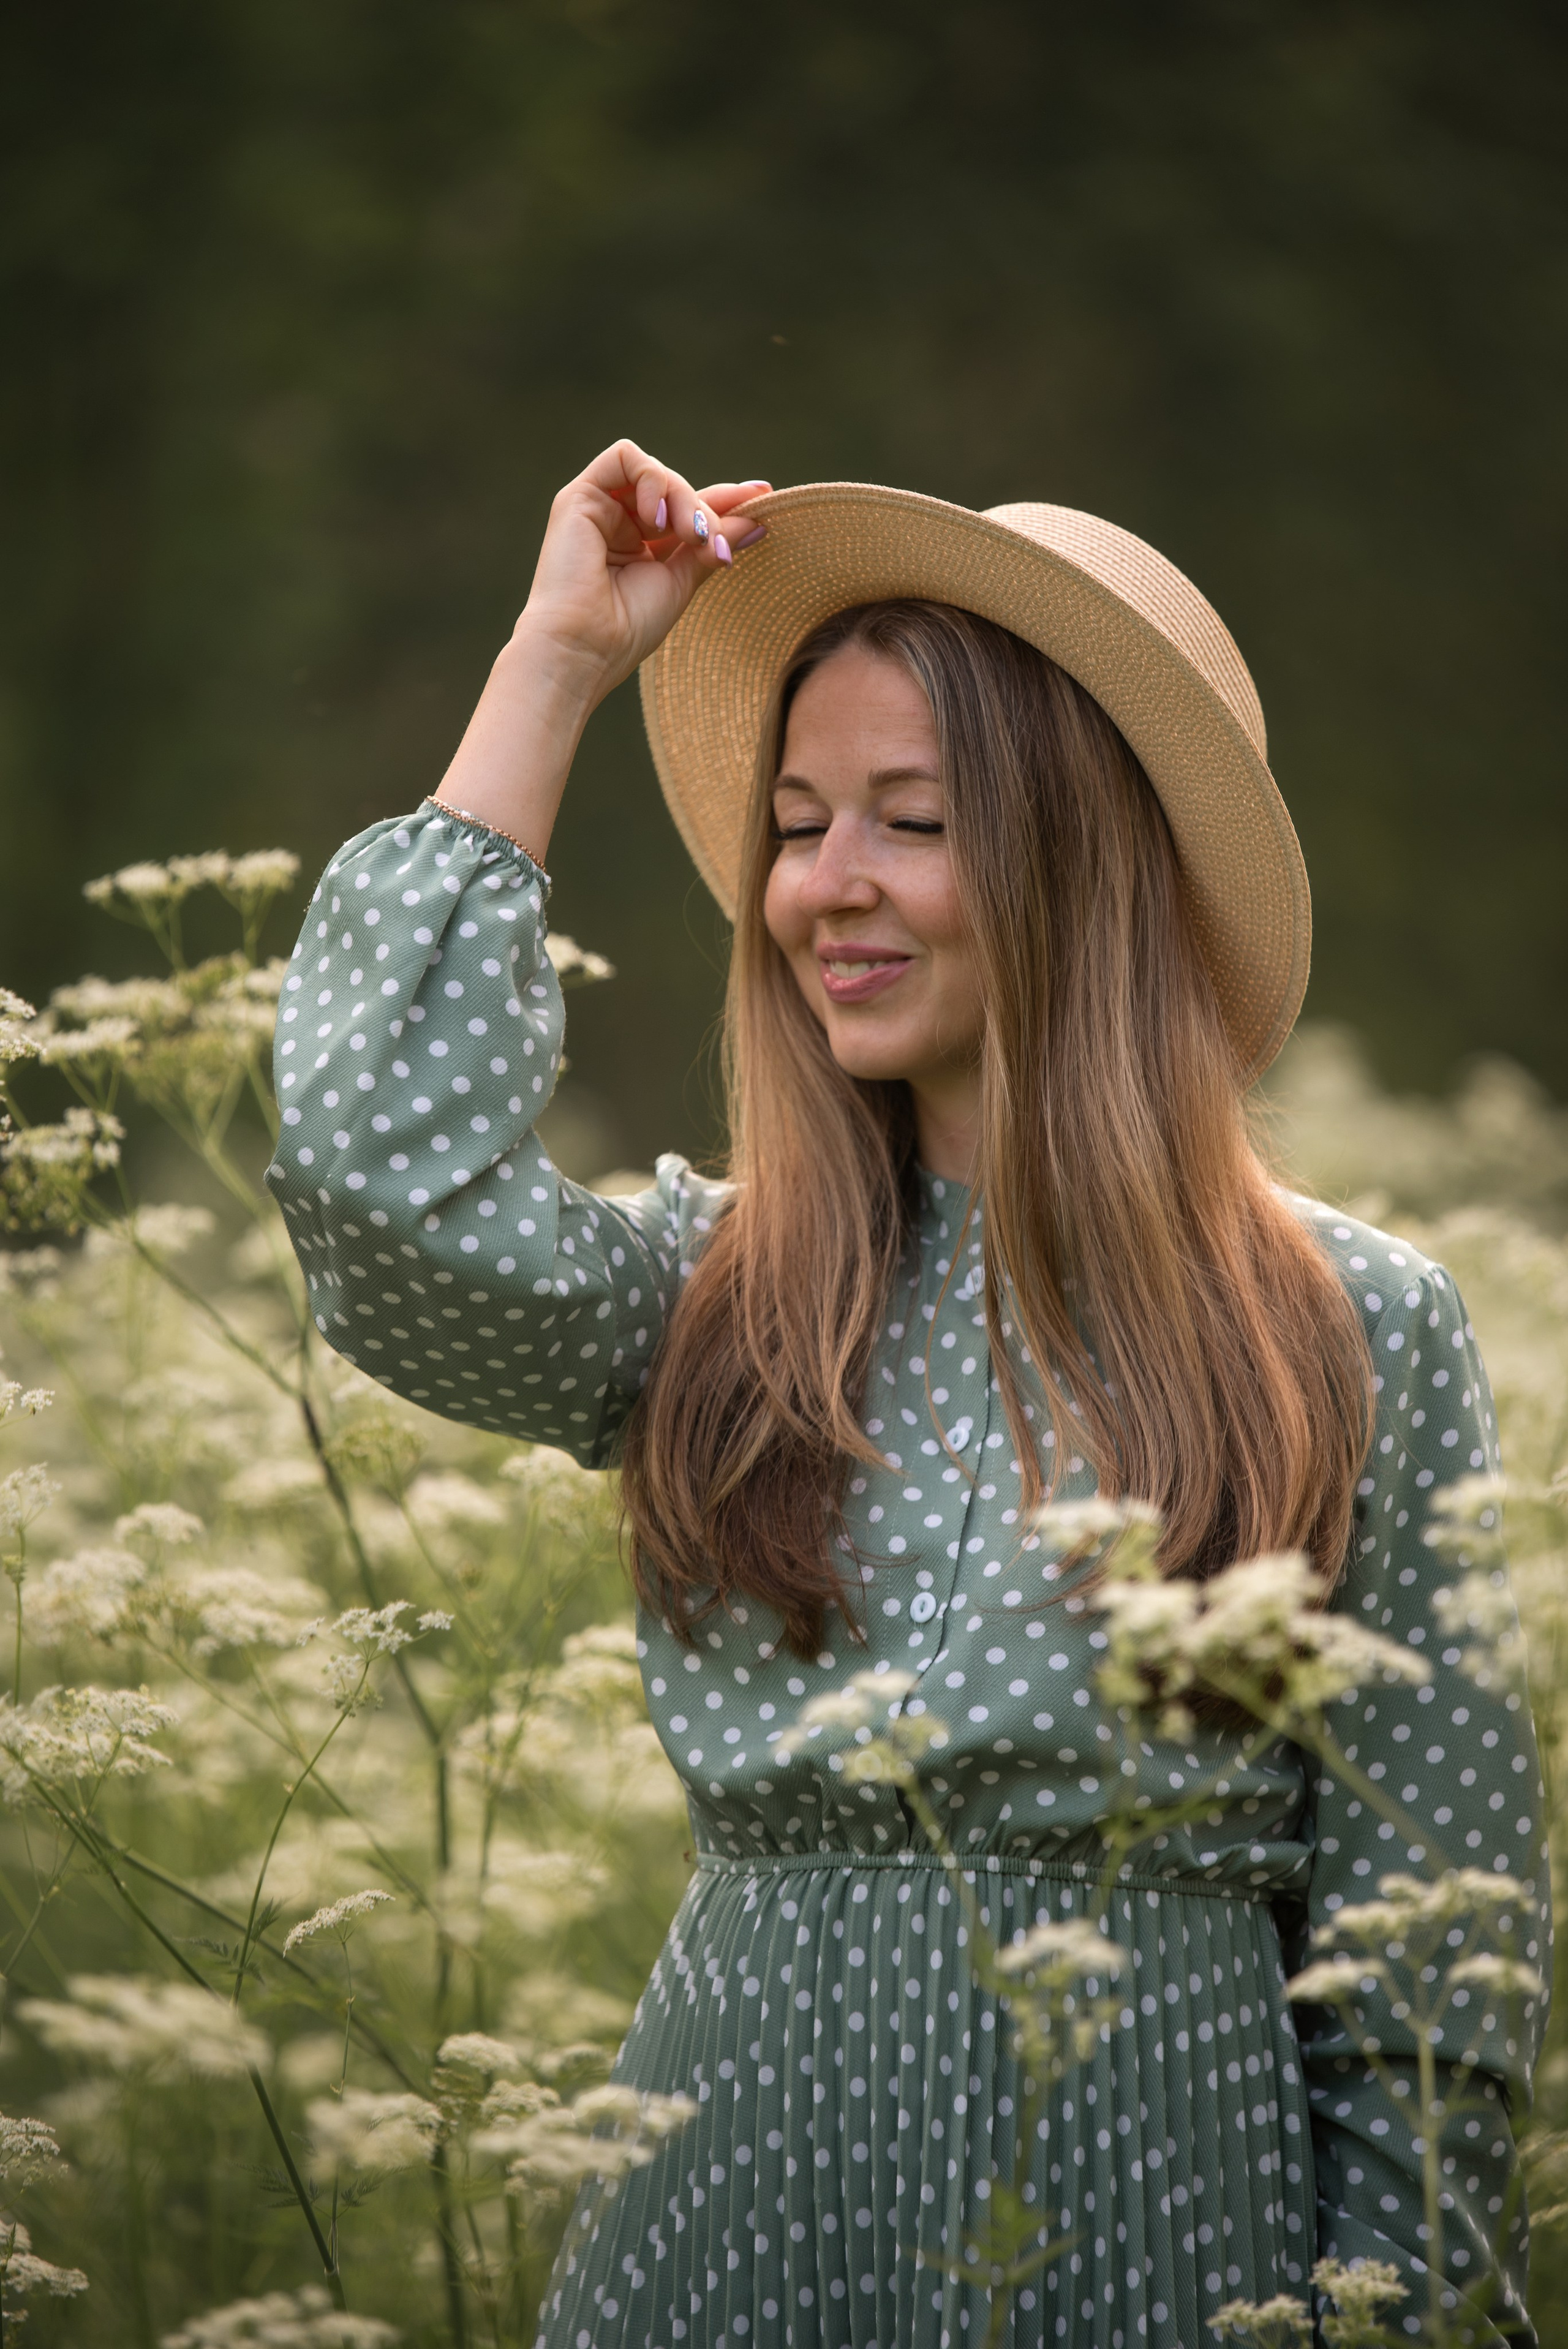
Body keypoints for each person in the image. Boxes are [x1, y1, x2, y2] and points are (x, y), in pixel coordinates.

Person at [270, 442, 1547, 2348]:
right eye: (798, 823)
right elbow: (376, 1184)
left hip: (1154, 2245)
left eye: (911, 820)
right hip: (722, 2235)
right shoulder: (715, 1294)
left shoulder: (1349, 1326)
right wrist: (553, 667)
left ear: (1083, 860)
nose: (826, 885)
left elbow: (1435, 1986)